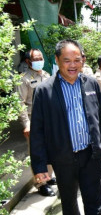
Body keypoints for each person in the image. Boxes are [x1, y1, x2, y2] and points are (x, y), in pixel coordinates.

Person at [30, 39, 101, 215]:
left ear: (82, 60)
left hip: (90, 155)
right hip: (62, 157)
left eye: (77, 60)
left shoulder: (91, 83)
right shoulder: (44, 90)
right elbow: (37, 131)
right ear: (57, 60)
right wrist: (40, 166)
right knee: (69, 205)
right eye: (67, 60)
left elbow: (100, 119)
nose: (73, 65)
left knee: (94, 203)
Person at [17, 48, 56, 197]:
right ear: (28, 61)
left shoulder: (46, 75)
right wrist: (26, 124)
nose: (40, 61)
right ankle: (40, 183)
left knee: (51, 149)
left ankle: (49, 176)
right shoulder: (24, 79)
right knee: (37, 152)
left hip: (49, 119)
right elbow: (20, 103)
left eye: (41, 58)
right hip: (33, 120)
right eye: (36, 59)